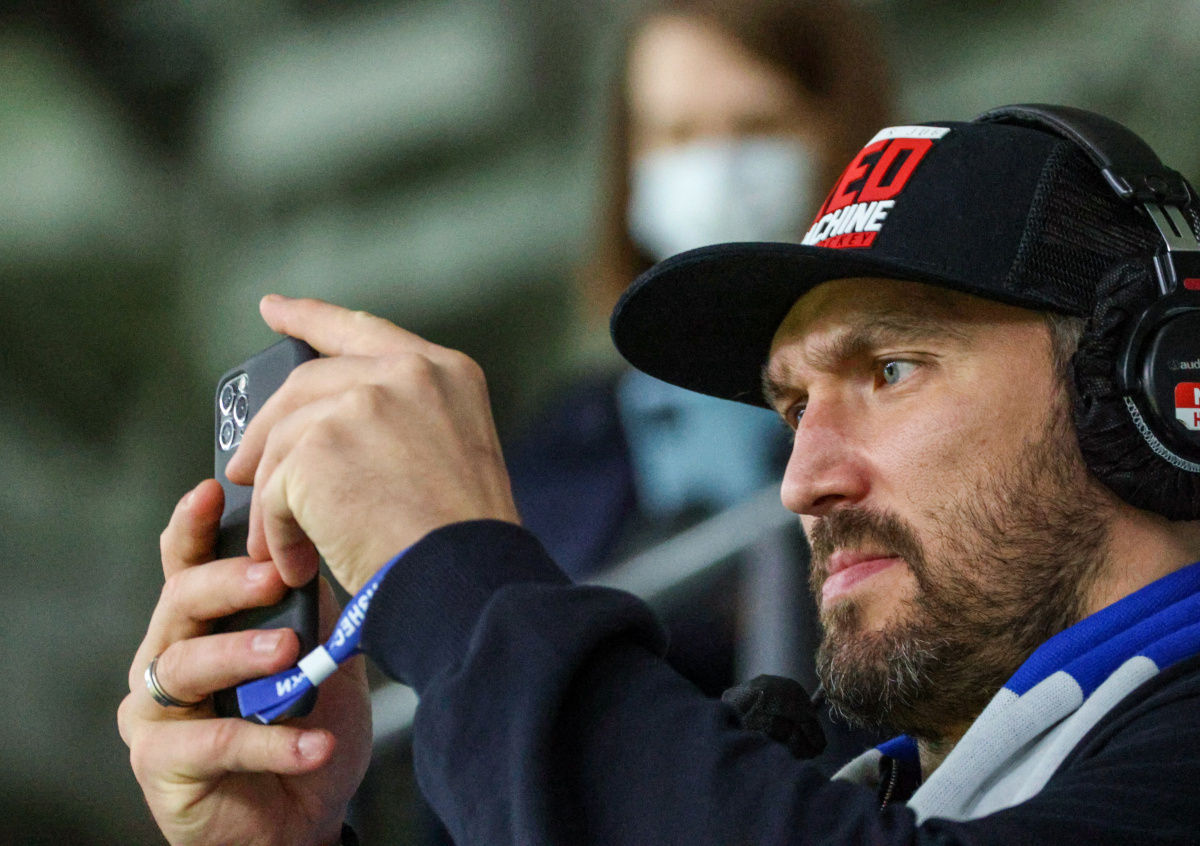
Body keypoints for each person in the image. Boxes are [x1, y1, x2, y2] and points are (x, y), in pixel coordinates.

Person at [119, 106, 1200, 845]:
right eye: (792, 408)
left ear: (1155, 388)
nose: (803, 481)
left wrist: (454, 582)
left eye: (891, 369)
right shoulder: (867, 788)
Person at [510, 0, 892, 581]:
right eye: (678, 133)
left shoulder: (931, 389)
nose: (717, 170)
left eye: (758, 127)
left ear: (843, 132)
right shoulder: (566, 456)